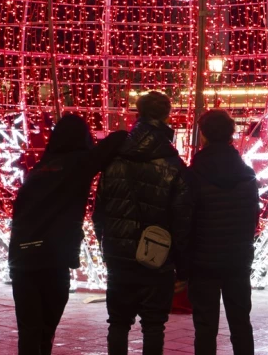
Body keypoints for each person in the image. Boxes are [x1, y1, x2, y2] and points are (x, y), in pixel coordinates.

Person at [9, 114, 127, 355]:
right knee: (46, 326)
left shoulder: (40, 168)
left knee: (30, 329)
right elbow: (117, 140)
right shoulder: (78, 163)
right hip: (52, 256)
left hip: (22, 257)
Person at [94, 91, 192, 355]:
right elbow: (182, 219)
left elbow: (99, 209)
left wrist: (106, 241)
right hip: (157, 255)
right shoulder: (174, 164)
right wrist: (181, 265)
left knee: (118, 322)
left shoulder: (114, 158)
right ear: (167, 116)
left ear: (137, 115)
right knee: (153, 325)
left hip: (118, 252)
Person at [187, 109, 259, 355]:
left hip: (203, 261)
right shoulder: (247, 174)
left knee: (205, 327)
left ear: (204, 135)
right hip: (238, 259)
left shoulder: (194, 174)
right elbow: (253, 219)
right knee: (240, 322)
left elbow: (186, 219)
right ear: (231, 135)